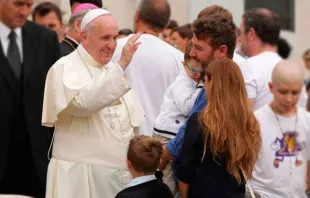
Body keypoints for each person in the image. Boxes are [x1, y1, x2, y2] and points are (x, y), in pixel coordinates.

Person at [42, 9, 145, 198]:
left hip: (119, 176)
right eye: (105, 38)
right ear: (84, 36)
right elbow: (83, 104)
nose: (112, 45)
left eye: (114, 38)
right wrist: (121, 64)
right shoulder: (64, 67)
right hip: (80, 176)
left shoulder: (110, 69)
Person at [161, 5, 250, 171]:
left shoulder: (214, 87)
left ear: (221, 51)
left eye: (199, 48)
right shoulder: (225, 81)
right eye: (192, 45)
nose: (192, 53)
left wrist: (163, 157)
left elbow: (188, 136)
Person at [176, 58, 261, 198]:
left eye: (206, 80)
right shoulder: (249, 121)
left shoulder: (200, 121)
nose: (204, 86)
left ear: (212, 81)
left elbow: (185, 169)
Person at [0, 0, 60, 197]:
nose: (25, 11)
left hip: (35, 158)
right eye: (18, 4)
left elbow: (55, 96)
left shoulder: (45, 39)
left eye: (28, 5)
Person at [113, 0, 184, 136]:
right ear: (165, 26)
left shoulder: (114, 48)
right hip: (157, 143)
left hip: (118, 137)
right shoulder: (179, 59)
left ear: (137, 16)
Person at [250, 60, 310, 197]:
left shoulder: (307, 121)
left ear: (302, 89)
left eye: (295, 93)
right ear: (271, 87)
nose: (289, 99)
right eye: (283, 92)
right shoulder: (255, 121)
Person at [153, 41, 202, 193]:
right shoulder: (182, 82)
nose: (197, 74)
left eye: (201, 71)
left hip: (172, 135)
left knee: (172, 176)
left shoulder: (191, 81)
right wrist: (202, 86)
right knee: (167, 178)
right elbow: (188, 108)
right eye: (193, 69)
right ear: (183, 63)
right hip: (166, 135)